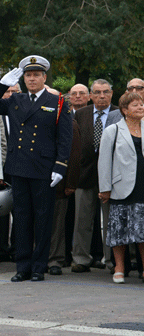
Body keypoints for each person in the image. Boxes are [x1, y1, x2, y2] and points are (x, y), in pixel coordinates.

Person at [0, 55, 72, 282]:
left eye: (36, 75)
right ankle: (22, 266)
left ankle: (39, 266)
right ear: (23, 78)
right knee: (22, 219)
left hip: (44, 169)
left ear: (44, 77)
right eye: (28, 75)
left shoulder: (58, 102)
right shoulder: (16, 100)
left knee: (43, 220)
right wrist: (2, 84)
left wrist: (60, 167)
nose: (32, 79)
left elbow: (64, 138)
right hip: (19, 167)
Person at [98, 91, 144, 284]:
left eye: (142, 104)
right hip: (121, 186)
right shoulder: (113, 130)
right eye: (135, 105)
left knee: (142, 231)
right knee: (119, 230)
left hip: (142, 185)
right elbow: (104, 161)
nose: (141, 107)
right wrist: (105, 187)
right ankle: (119, 268)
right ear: (125, 110)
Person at [71, 79, 116, 273]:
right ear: (90, 96)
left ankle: (112, 260)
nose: (101, 96)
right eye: (97, 92)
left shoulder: (118, 113)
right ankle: (81, 259)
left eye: (105, 92)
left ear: (111, 94)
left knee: (110, 221)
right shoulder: (80, 114)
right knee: (82, 220)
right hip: (85, 174)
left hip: (112, 176)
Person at [46, 87, 82, 276]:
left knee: (57, 225)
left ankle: (55, 259)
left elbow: (74, 156)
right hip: (39, 181)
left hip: (60, 185)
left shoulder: (69, 122)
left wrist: (70, 183)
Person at [0, 83, 20, 264]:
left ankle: (17, 248)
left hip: (19, 167)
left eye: (14, 92)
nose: (9, 95)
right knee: (1, 209)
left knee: (20, 211)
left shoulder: (22, 111)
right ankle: (0, 248)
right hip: (1, 167)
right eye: (7, 91)